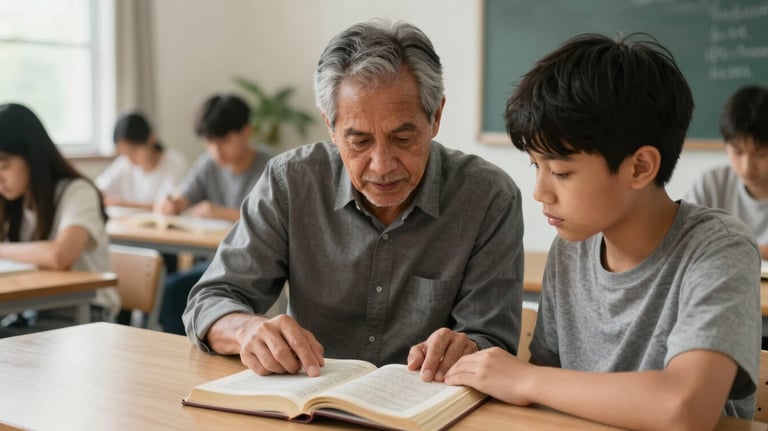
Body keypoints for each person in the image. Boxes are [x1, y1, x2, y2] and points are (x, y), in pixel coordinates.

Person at [444, 33, 761, 429]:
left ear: (640, 167)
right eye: (535, 167)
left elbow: (686, 409)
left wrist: (524, 378)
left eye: (561, 172)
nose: (540, 191)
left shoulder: (719, 248)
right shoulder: (571, 249)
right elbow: (547, 391)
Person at [182, 19, 524, 383]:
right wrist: (246, 330)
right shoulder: (292, 183)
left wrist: (467, 346)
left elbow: (491, 341)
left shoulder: (488, 198)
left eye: (403, 139)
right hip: (307, 406)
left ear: (435, 117)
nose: (382, 166)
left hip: (423, 409)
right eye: (359, 141)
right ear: (330, 125)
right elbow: (210, 300)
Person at [156, 94, 272, 335]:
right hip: (210, 259)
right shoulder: (209, 164)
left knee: (172, 289)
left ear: (246, 131)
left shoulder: (271, 167)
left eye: (223, 141)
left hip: (249, 265)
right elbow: (182, 198)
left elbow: (274, 220)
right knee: (168, 286)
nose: (216, 151)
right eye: (209, 142)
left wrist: (223, 213)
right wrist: (172, 204)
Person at [0, 103, 120, 332]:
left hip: (85, 315)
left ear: (32, 157)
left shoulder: (77, 192)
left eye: (4, 166)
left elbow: (60, 256)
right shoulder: (14, 201)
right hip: (32, 312)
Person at [685, 85, 768, 260]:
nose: (746, 167)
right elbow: (683, 240)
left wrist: (724, 246)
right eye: (737, 152)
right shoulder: (711, 184)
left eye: (760, 154)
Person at [96, 111, 187, 211]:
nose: (130, 158)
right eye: (124, 153)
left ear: (151, 139)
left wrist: (121, 204)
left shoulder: (174, 163)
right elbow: (98, 189)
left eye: (133, 151)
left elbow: (169, 205)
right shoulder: (125, 163)